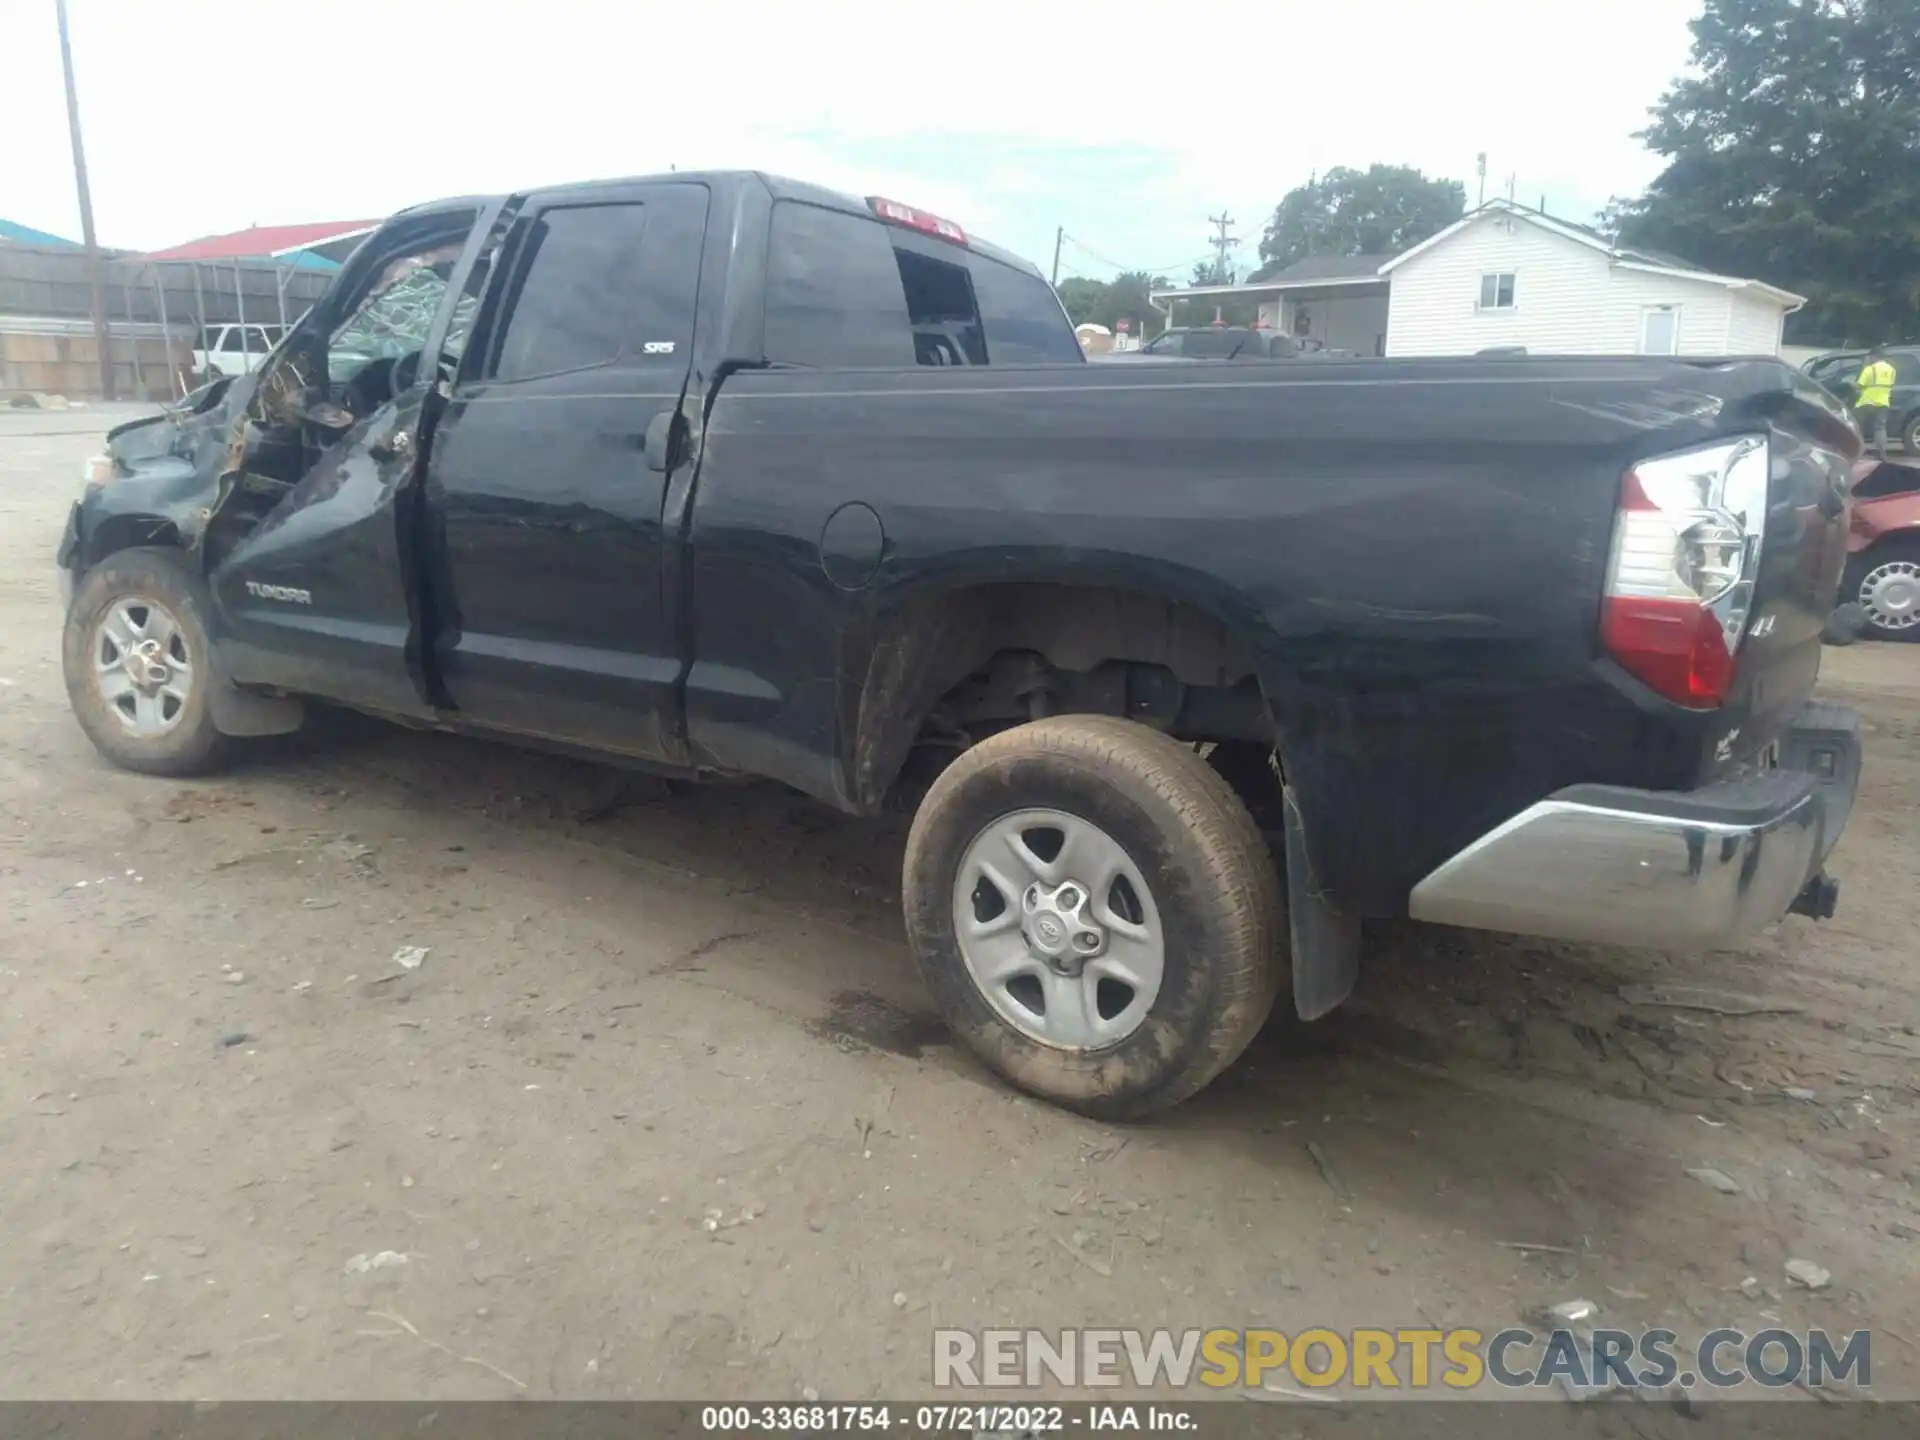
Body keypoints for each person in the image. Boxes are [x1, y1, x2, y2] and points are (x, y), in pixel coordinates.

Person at [1854, 345, 1897, 459]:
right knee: (1880, 428)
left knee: (1857, 426)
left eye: (1870, 357)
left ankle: (1857, 452)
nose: (1869, 359)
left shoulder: (1869, 369)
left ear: (1874, 356)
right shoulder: (1891, 370)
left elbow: (1859, 385)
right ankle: (1882, 453)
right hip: (1883, 402)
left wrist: (1851, 385)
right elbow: (1891, 385)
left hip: (1867, 402)